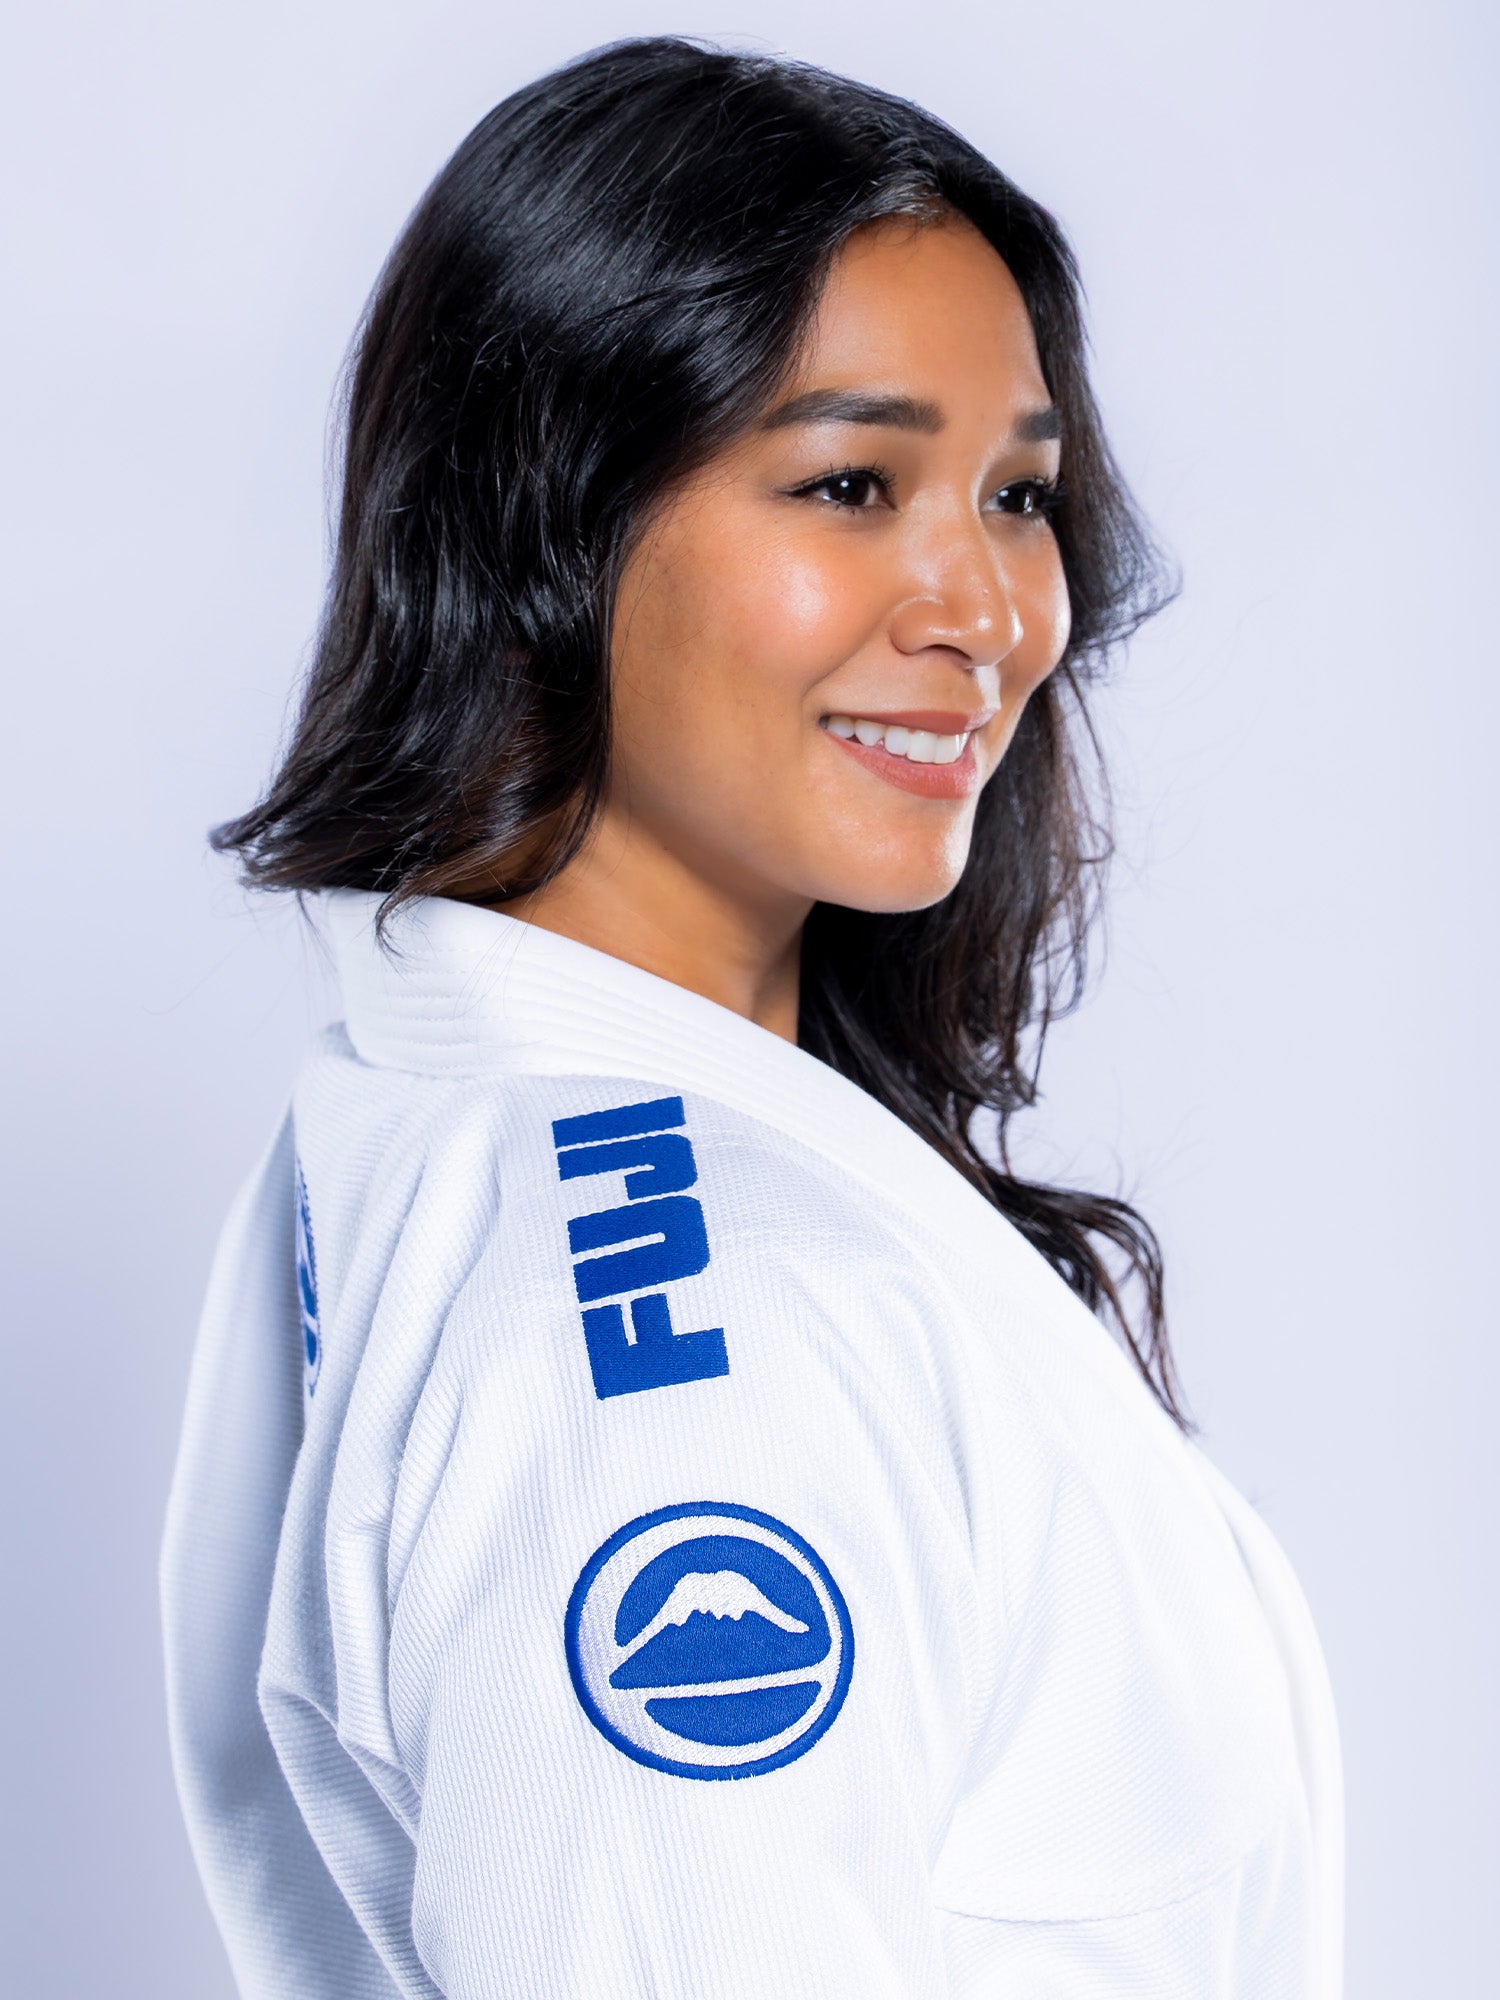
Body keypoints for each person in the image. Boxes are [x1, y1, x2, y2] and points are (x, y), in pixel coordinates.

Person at [161, 36, 1343, 2000]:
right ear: (557, 519)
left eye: (1017, 493)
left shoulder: (467, 1122)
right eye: (852, 483)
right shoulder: (683, 1361)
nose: (988, 610)